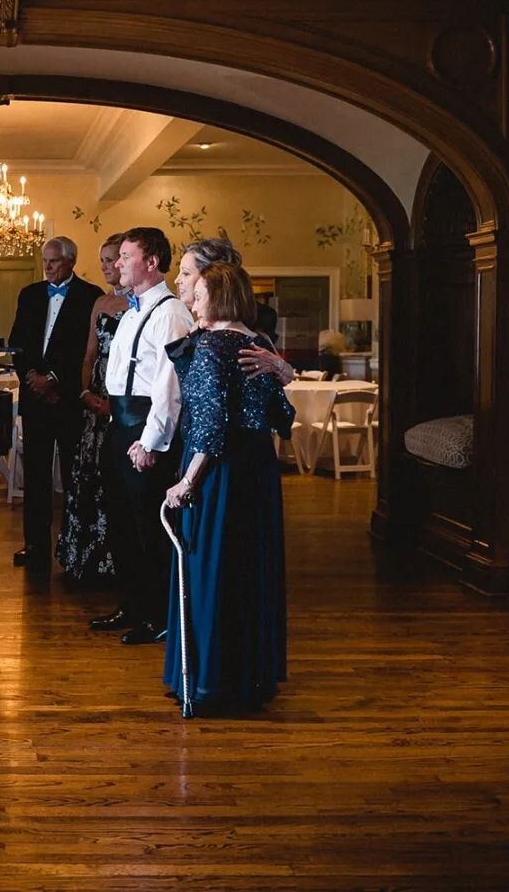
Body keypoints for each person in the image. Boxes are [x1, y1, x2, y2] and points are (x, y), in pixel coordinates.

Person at [163, 263, 293, 714]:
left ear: (216, 296)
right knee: (248, 569)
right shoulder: (257, 344)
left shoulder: (214, 346)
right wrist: (282, 372)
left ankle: (210, 682)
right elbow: (283, 415)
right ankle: (249, 678)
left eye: (197, 294)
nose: (192, 302)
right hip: (258, 469)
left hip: (220, 471)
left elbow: (211, 427)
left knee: (211, 569)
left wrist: (186, 480)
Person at [89, 227, 194, 645]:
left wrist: (150, 442)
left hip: (146, 427)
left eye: (126, 256)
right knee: (122, 524)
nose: (118, 263)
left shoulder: (170, 313)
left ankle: (159, 614)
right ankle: (132, 604)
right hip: (120, 424)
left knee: (148, 527)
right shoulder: (131, 311)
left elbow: (170, 387)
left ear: (151, 261)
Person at [7, 235, 102, 573]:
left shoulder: (92, 297)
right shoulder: (29, 295)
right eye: (45, 261)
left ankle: (74, 547)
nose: (47, 267)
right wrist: (31, 376)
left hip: (68, 400)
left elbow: (86, 350)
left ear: (71, 262)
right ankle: (34, 545)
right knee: (35, 476)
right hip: (34, 399)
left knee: (73, 475)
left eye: (54, 261)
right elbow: (17, 343)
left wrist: (56, 381)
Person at [56, 234, 128, 583]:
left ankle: (118, 560)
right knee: (87, 475)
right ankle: (83, 558)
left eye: (111, 259)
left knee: (116, 481)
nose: (105, 267)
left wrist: (115, 403)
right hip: (94, 397)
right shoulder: (100, 303)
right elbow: (88, 355)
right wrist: (85, 392)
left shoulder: (142, 306)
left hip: (123, 401)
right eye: (101, 261)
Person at [173, 236, 293, 386]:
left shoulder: (243, 321)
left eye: (185, 273)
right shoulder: (198, 325)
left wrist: (281, 367)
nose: (177, 280)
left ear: (210, 277)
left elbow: (283, 375)